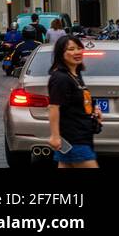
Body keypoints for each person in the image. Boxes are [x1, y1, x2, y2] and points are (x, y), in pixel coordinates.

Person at [48, 35, 101, 168]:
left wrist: (94, 111)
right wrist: (55, 136)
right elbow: (54, 107)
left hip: (80, 137)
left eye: (78, 48)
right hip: (74, 139)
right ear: (61, 54)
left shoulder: (75, 74)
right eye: (71, 49)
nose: (76, 52)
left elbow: (77, 102)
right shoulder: (60, 78)